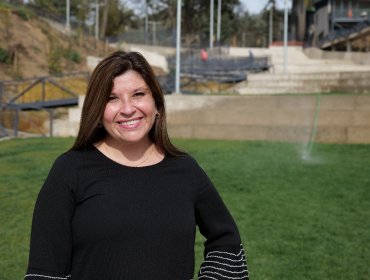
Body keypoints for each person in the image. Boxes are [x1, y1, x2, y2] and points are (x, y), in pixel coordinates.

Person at [25, 51, 249, 280]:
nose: (128, 108)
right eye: (112, 99)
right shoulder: (70, 170)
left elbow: (226, 240)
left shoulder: (186, 170)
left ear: (157, 103)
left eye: (138, 94)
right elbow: (45, 271)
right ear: (97, 110)